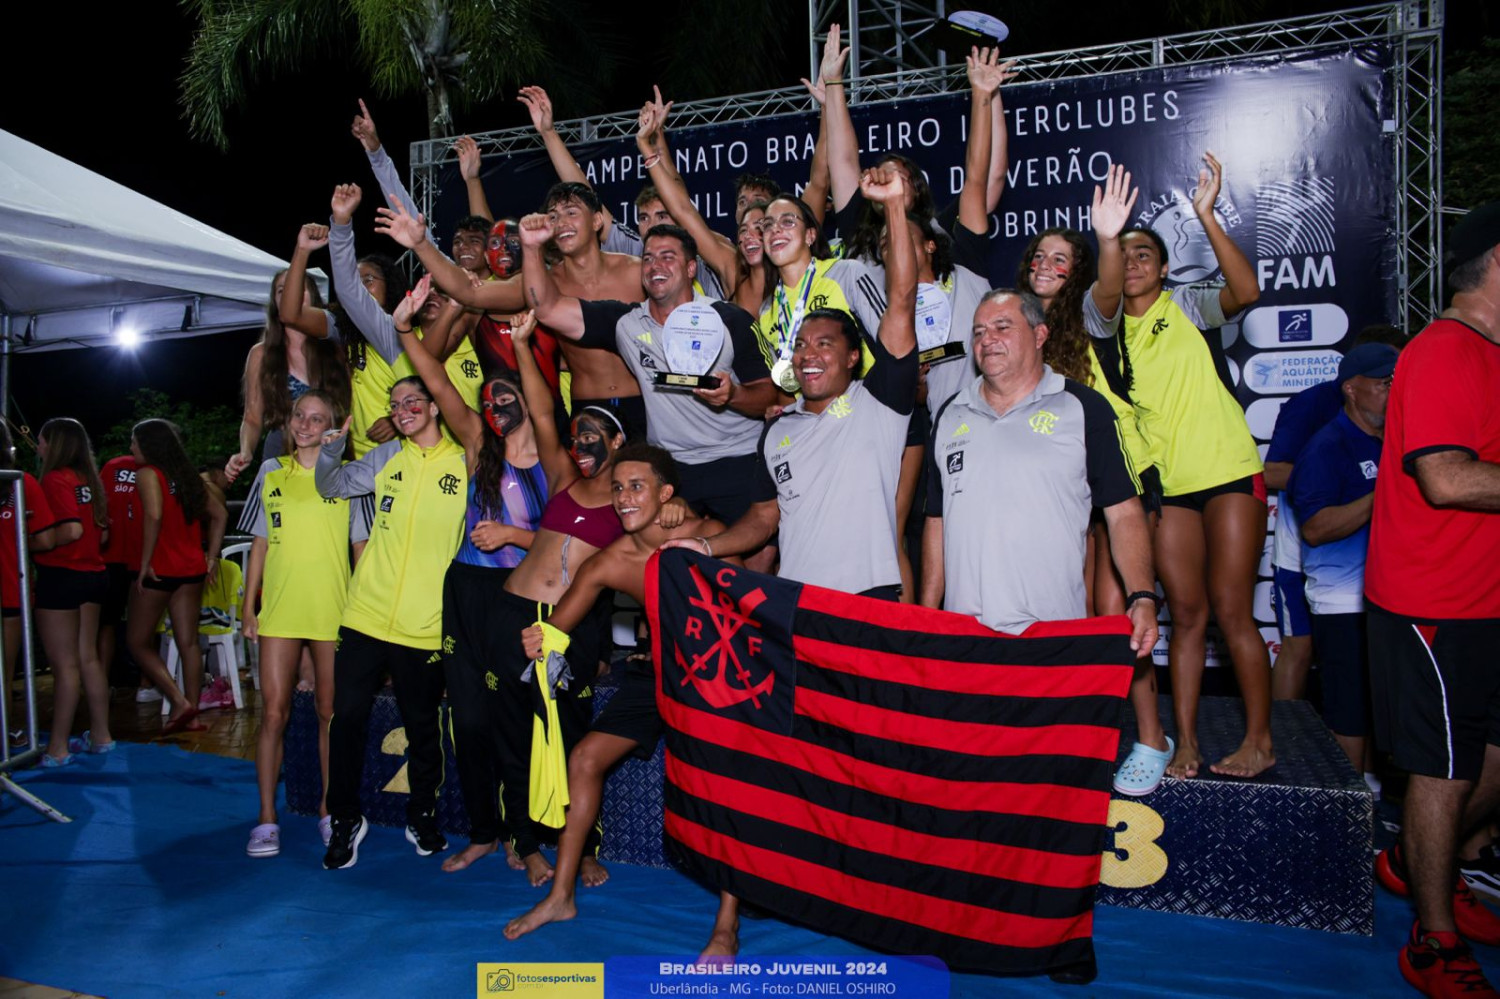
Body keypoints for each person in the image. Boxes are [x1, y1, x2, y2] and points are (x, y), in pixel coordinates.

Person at [502, 444, 732, 948]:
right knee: (583, 759)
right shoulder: (611, 562)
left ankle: (726, 926)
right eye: (618, 488)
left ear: (665, 493)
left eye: (637, 487)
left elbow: (757, 574)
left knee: (725, 786)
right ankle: (561, 896)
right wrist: (538, 638)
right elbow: (557, 623)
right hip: (655, 679)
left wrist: (690, 516)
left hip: (715, 678)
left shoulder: (705, 536)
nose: (624, 498)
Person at [1100, 152, 1271, 781]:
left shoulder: (1190, 307)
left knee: (1232, 612)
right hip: (1168, 489)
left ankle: (1259, 739)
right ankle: (1188, 742)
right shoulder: (1108, 332)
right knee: (1188, 615)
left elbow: (1248, 292)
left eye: (1148, 253)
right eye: (1128, 253)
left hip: (1227, 471)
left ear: (1166, 268)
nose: (1137, 261)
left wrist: (1204, 213)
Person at [1365, 202, 1500, 997]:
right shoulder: (1444, 350)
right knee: (1442, 770)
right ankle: (1433, 933)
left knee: (1481, 763)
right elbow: (1445, 477)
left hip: (1486, 598)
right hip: (1434, 601)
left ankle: (1426, 857)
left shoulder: (1488, 353)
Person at [674, 165, 917, 603]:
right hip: (808, 425)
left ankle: (905, 632)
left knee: (887, 534)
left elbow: (899, 310)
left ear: (810, 234)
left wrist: (894, 207)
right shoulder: (766, 312)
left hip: (876, 410)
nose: (774, 230)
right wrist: (744, 397)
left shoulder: (844, 273)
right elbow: (782, 388)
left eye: (788, 220)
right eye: (767, 224)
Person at [1015, 167, 1173, 796]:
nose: (1048, 264)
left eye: (1062, 257)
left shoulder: (1090, 315)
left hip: (1117, 487)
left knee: (1120, 618)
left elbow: (1111, 286)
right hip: (1058, 498)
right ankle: (1076, 732)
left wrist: (1108, 239)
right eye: (1040, 255)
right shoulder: (1013, 327)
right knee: (1072, 620)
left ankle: (1153, 739)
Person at [920, 289, 1157, 652]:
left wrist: (1141, 595)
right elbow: (936, 521)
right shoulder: (951, 414)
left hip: (1052, 634)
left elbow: (1124, 513)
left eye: (1002, 327)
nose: (988, 340)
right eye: (979, 332)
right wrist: (926, 614)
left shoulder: (1084, 408)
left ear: (1039, 334)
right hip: (964, 635)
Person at [508, 215, 781, 529]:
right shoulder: (627, 324)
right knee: (669, 565)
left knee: (755, 562)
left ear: (691, 269)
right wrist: (530, 248)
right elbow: (547, 308)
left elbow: (772, 396)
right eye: (648, 259)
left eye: (668, 258)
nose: (655, 266)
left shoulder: (729, 319)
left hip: (738, 459)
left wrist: (734, 394)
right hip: (671, 468)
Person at [315, 376, 468, 870]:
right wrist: (330, 452)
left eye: (412, 402)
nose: (403, 411)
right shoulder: (386, 458)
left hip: (425, 625)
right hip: (364, 614)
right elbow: (331, 486)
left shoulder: (466, 462)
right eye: (396, 404)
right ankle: (344, 818)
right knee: (347, 721)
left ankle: (421, 813)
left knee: (423, 726)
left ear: (436, 406)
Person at [240, 390, 370, 857]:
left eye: (318, 419)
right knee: (273, 714)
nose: (306, 425)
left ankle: (328, 811)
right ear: (289, 419)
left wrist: (362, 609)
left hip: (334, 611)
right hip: (279, 610)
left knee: (329, 716)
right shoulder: (271, 472)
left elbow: (361, 550)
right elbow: (259, 541)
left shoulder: (349, 479)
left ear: (333, 429)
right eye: (300, 415)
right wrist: (247, 607)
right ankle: (266, 818)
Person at [1264, 323, 1408, 702]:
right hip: (1303, 549)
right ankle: (1285, 745)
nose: (1393, 381)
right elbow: (1271, 470)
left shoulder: (1396, 408)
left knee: (1366, 662)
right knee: (1299, 646)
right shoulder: (1313, 403)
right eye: (1385, 373)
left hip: (1363, 551)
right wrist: (1333, 478)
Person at [1286, 344, 1397, 776]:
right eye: (1383, 383)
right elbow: (1314, 527)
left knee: (1373, 706)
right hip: (1342, 601)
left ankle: (1369, 794)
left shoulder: (1385, 440)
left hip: (1383, 597)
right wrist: (1382, 494)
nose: (1392, 390)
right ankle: (1351, 814)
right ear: (1351, 389)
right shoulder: (1327, 446)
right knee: (1349, 708)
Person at [125, 419, 229, 735]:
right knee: (188, 643)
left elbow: (154, 515)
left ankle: (178, 700)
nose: (131, 448)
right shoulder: (186, 478)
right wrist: (210, 558)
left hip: (160, 569)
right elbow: (221, 515)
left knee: (136, 642)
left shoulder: (148, 474)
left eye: (134, 442)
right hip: (191, 570)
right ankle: (192, 715)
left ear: (148, 445)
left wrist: (144, 564)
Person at [32, 419, 113, 765]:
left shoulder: (54, 479)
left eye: (40, 441)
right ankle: (101, 736)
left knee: (64, 667)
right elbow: (103, 534)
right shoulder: (89, 481)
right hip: (94, 575)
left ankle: (58, 747)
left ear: (54, 444)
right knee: (88, 658)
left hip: (62, 577)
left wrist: (33, 544)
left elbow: (72, 529)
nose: (37, 448)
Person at [225, 264, 349, 479]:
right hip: (281, 450)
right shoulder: (261, 354)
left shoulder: (335, 349)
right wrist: (245, 451)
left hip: (330, 451)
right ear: (275, 302)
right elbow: (253, 417)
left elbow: (353, 406)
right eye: (282, 290)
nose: (291, 293)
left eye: (299, 288)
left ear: (314, 298)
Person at [1, 424, 57, 748]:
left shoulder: (20, 483)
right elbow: (47, 538)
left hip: (11, 591)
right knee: (3, 675)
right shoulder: (20, 482)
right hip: (10, 592)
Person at [97, 449, 143, 699]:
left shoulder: (112, 464)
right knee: (145, 627)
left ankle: (103, 684)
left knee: (107, 624)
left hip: (113, 557)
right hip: (140, 559)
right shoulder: (159, 471)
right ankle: (146, 685)